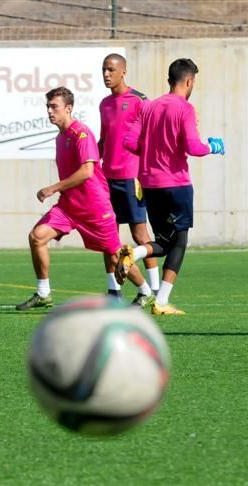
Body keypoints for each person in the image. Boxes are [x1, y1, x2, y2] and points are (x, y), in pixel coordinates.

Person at [16, 86, 149, 311]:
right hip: (69, 207)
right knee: (37, 237)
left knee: (116, 257)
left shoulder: (82, 134)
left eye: (54, 107)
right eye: (48, 106)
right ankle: (43, 293)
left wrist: (53, 188)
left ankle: (145, 291)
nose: (49, 111)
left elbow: (87, 172)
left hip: (94, 208)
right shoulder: (60, 137)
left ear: (68, 109)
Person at [117, 58, 225, 315]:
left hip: (150, 185)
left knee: (166, 241)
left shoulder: (148, 107)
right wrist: (214, 146)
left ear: (169, 80)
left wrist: (154, 150)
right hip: (176, 184)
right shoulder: (184, 109)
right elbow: (193, 148)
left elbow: (130, 143)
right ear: (189, 81)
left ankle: (137, 255)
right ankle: (161, 299)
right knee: (179, 242)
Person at [99, 53, 159, 306]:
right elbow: (103, 140)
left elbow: (152, 140)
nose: (106, 74)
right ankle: (114, 291)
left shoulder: (140, 101)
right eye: (104, 69)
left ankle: (155, 289)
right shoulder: (104, 103)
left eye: (111, 69)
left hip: (131, 178)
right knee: (107, 234)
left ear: (124, 71)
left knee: (139, 234)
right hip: (106, 178)